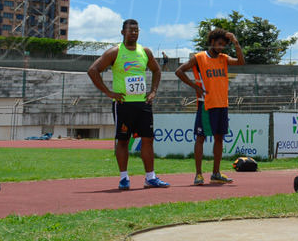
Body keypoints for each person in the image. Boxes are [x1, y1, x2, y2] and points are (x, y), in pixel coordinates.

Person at [87, 19, 168, 189]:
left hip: (143, 104)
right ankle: (124, 178)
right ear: (122, 32)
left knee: (148, 140)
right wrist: (109, 93)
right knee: (123, 141)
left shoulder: (145, 51)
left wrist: (153, 91)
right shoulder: (115, 52)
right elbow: (93, 70)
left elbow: (156, 70)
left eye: (137, 30)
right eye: (131, 30)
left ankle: (150, 177)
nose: (134, 33)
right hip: (123, 104)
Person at [175, 28, 245, 185]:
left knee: (219, 139)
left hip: (222, 104)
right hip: (206, 104)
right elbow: (179, 71)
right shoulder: (200, 57)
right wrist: (195, 86)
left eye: (223, 45)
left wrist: (235, 42)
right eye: (219, 44)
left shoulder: (223, 58)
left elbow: (241, 62)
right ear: (212, 42)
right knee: (201, 138)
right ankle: (198, 174)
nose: (221, 47)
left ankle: (216, 173)